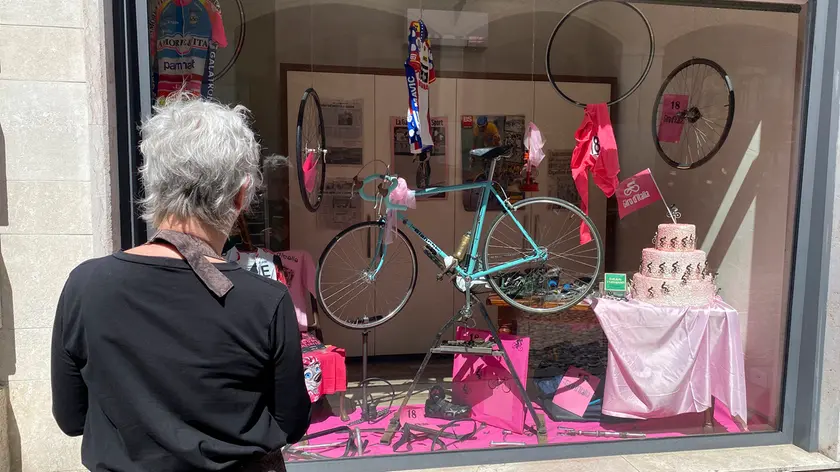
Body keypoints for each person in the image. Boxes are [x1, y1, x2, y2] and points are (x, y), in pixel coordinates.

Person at [51, 92, 311, 471]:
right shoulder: (265, 300)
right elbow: (290, 423)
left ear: (152, 183)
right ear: (240, 196)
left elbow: (71, 419)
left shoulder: (86, 285)